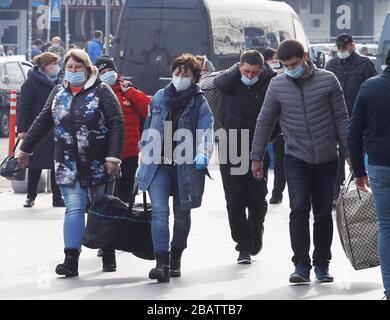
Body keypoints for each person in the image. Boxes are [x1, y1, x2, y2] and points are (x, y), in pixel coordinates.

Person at [18, 49, 124, 277]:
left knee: (100, 209)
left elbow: (117, 123)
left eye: (78, 67)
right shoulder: (58, 92)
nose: (74, 71)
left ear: (87, 69)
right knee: (74, 208)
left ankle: (107, 251)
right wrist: (25, 147)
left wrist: (113, 156)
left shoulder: (102, 91)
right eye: (70, 68)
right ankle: (70, 259)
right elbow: (43, 120)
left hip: (98, 163)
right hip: (67, 163)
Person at [251, 40, 349, 284]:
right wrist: (256, 156)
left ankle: (322, 264)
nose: (289, 69)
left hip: (327, 158)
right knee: (299, 209)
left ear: (304, 57)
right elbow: (264, 121)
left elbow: (341, 119)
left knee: (324, 213)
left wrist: (351, 155)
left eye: (293, 64)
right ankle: (301, 265)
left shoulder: (328, 80)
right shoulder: (277, 84)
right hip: (296, 156)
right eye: (284, 66)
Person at [137, 53, 214, 282]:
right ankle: (162, 262)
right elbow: (149, 126)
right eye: (177, 73)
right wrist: (144, 154)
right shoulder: (160, 97)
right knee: (159, 211)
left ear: (194, 78)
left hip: (185, 168)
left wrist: (203, 152)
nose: (180, 77)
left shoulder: (199, 102)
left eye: (185, 74)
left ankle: (176, 255)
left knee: (182, 216)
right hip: (158, 165)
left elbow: (206, 129)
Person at [214, 50, 277, 265]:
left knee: (258, 197)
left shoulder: (269, 81)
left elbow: (278, 116)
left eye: (254, 72)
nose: (249, 76)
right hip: (230, 143)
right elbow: (219, 83)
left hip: (257, 146)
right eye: (245, 71)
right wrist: (235, 70)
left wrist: (269, 138)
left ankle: (256, 230)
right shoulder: (230, 81)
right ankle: (242, 244)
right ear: (239, 67)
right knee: (234, 199)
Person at [348, 49, 390, 301]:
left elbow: (354, 131)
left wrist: (358, 171)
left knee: (386, 227)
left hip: (379, 166)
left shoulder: (370, 87)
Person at [326, 34, 377, 207]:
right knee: (336, 154)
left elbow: (372, 88)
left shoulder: (365, 64)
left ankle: (360, 190)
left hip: (359, 116)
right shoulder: (331, 65)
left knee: (357, 153)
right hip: (336, 115)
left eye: (344, 48)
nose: (341, 51)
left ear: (352, 46)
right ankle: (336, 192)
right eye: (338, 48)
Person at [95, 55, 149, 203]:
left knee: (126, 193)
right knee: (105, 195)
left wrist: (130, 92)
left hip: (129, 151)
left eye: (109, 70)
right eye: (103, 71)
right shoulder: (95, 91)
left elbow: (148, 109)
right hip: (105, 152)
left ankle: (125, 224)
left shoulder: (127, 88)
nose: (107, 73)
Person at [17, 52, 65, 208]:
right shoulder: (31, 83)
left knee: (56, 163)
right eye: (54, 63)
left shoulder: (61, 82)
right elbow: (24, 107)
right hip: (37, 128)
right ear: (46, 66)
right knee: (35, 164)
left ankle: (57, 198)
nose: (57, 67)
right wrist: (22, 129)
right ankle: (31, 196)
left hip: (57, 128)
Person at [263, 47, 286, 204]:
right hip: (263, 124)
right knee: (261, 158)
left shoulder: (284, 75)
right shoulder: (259, 76)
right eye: (273, 58)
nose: (275, 62)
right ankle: (260, 191)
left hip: (280, 125)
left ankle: (277, 192)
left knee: (280, 161)